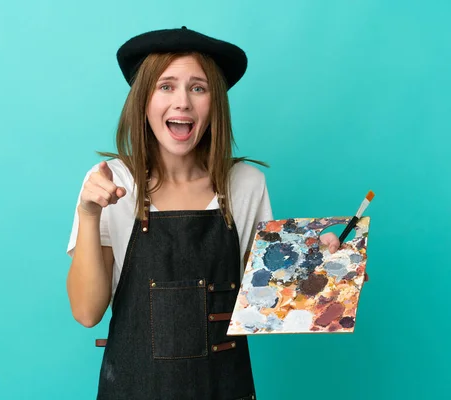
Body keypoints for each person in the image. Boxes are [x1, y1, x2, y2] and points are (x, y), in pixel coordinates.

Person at [65, 26, 340, 400]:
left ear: (215, 103)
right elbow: (86, 312)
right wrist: (87, 213)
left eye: (198, 87)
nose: (182, 102)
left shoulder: (246, 183)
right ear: (143, 99)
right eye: (166, 86)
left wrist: (327, 271)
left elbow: (262, 301)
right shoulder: (111, 182)